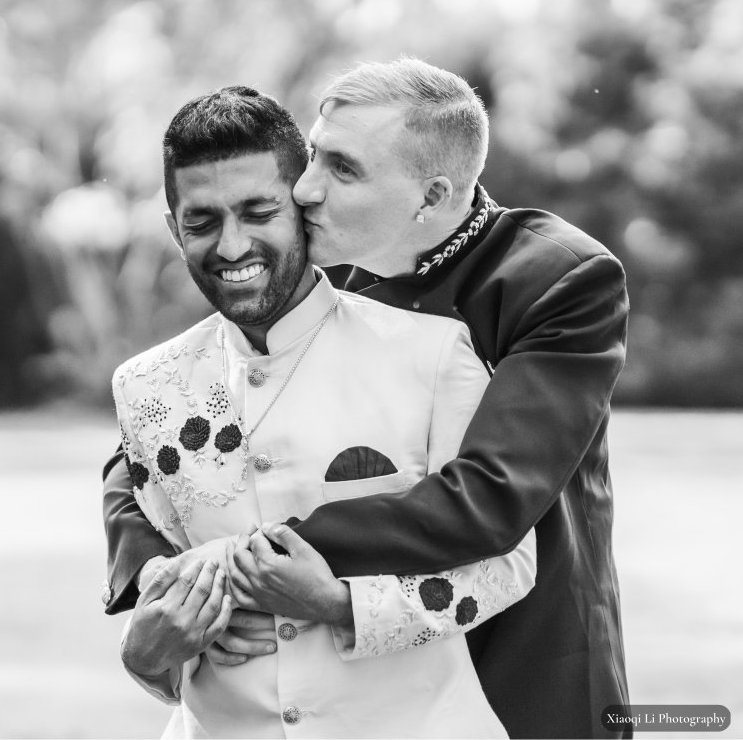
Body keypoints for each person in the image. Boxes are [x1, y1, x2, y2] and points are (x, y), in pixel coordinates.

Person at [103, 57, 631, 739]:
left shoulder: (557, 280)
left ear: (432, 197)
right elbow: (146, 442)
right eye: (314, 157)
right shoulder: (322, 255)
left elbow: (491, 494)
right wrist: (156, 580)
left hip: (524, 638)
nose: (306, 191)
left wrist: (248, 558)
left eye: (342, 170)